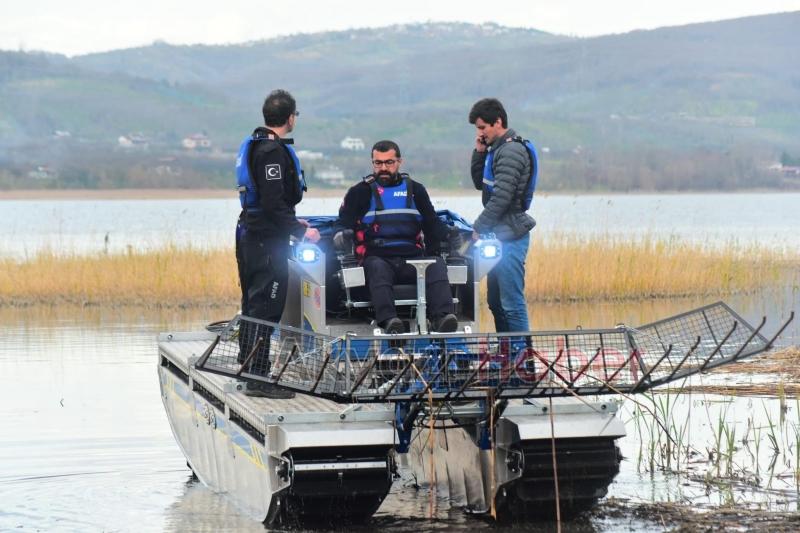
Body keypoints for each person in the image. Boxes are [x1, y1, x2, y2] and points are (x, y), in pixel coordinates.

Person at [235, 89, 320, 397]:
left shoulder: (259, 144)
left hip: (256, 232)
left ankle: (248, 366)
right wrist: (299, 233)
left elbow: (270, 203)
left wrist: (293, 224)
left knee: (255, 303)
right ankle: (258, 378)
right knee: (266, 305)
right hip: (265, 239)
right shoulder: (270, 150)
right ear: (290, 117)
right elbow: (272, 200)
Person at [336, 140, 458, 334]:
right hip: (377, 257)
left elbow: (432, 223)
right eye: (378, 163)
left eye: (389, 162)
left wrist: (449, 233)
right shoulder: (359, 192)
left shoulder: (416, 190)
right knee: (377, 267)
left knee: (436, 264)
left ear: (399, 162)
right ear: (373, 163)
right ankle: (389, 320)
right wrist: (341, 234)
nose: (383, 168)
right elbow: (342, 223)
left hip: (413, 257)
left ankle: (442, 318)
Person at [468, 98, 538, 332]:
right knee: (495, 302)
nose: (480, 133)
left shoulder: (511, 151)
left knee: (511, 303)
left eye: (482, 127)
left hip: (512, 234)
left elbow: (502, 197)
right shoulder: (495, 150)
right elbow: (481, 184)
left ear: (497, 122)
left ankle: (521, 360)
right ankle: (507, 354)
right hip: (498, 234)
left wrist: (478, 227)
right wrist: (479, 153)